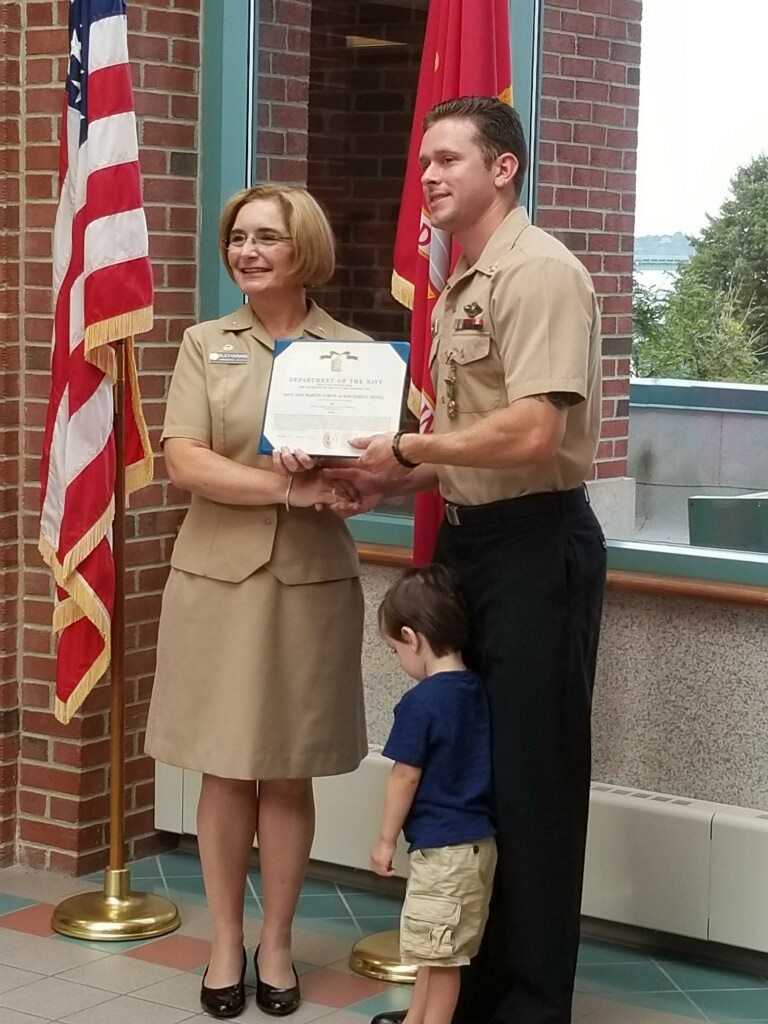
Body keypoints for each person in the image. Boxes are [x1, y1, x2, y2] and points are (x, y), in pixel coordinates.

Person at [331, 96, 607, 1024]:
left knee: (533, 782)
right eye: (424, 163)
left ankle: (529, 1009)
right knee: (472, 776)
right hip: (471, 542)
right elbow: (462, 441)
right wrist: (381, 482)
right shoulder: (464, 282)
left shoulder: (540, 274)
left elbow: (531, 434)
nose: (430, 176)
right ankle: (476, 998)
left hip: (537, 547)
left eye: (450, 158)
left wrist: (409, 452)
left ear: (504, 169)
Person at [145, 185, 368, 1020]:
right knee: (225, 763)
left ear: (303, 248)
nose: (246, 251)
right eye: (237, 238)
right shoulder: (206, 344)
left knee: (285, 767)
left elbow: (381, 466)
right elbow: (186, 463)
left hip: (310, 588)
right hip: (218, 582)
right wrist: (286, 491)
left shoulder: (353, 355)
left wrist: (349, 480)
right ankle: (225, 942)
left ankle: (277, 941)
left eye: (266, 238)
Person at [371, 565, 496, 1024]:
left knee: (442, 962)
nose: (399, 660)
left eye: (394, 649)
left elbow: (405, 776)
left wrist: (385, 839)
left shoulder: (422, 702)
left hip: (443, 852)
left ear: (413, 637)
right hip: (475, 847)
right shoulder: (477, 689)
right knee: (433, 948)